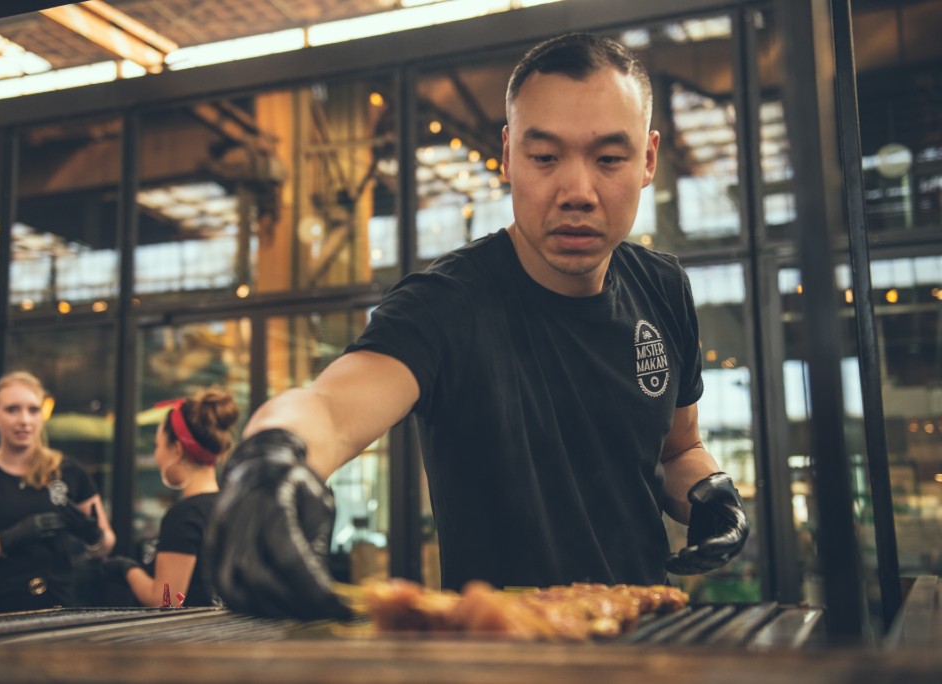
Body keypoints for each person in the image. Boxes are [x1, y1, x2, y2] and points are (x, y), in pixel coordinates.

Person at [206, 32, 749, 619]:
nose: (577, 192)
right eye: (545, 157)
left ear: (647, 159)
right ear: (510, 155)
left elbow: (681, 446)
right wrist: (269, 460)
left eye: (609, 159)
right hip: (501, 651)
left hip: (643, 631)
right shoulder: (447, 303)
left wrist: (709, 493)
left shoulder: (663, 289)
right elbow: (330, 408)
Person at [0, 371, 116, 615]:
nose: (24, 420)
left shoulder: (68, 472)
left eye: (33, 410)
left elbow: (106, 545)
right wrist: (5, 540)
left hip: (56, 612)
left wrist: (93, 535)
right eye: (12, 409)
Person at [101, 388, 239, 607]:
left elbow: (166, 601)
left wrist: (126, 569)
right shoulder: (233, 506)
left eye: (157, 446)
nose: (157, 456)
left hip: (194, 639)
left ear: (176, 450)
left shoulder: (185, 516)